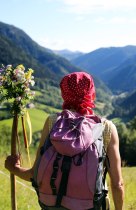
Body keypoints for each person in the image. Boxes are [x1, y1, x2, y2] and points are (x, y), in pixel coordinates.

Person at [5, 72, 124, 210]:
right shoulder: (106, 128)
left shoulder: (52, 122)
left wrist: (14, 168)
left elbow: (34, 175)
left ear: (64, 93)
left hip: (51, 205)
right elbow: (117, 184)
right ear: (91, 93)